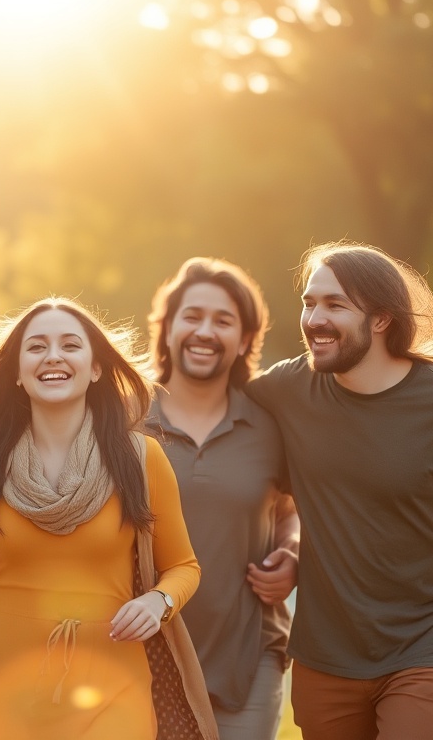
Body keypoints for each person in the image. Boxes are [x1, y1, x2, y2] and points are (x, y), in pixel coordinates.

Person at [245, 241, 433, 740]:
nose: (313, 318)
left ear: (381, 318)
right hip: (324, 653)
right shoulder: (288, 388)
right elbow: (206, 404)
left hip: (424, 644)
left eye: (334, 305)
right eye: (309, 302)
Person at [0, 298, 210, 740]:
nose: (53, 357)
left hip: (114, 687)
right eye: (36, 347)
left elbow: (184, 567)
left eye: (70, 345)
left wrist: (158, 602)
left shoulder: (141, 459)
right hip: (5, 693)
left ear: (95, 368)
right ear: (18, 373)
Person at [146, 257, 299, 739]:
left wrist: (292, 552)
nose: (205, 331)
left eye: (223, 320)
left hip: (249, 657)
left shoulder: (272, 423)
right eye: (192, 316)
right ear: (167, 328)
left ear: (246, 340)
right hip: (142, 653)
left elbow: (289, 510)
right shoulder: (124, 418)